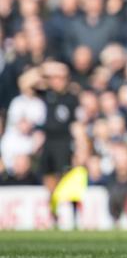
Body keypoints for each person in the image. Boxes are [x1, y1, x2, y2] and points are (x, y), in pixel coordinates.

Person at [36, 61, 81, 227]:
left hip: (64, 142)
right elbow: (25, 83)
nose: (58, 81)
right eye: (54, 78)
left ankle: (73, 217)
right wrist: (46, 69)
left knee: (67, 179)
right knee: (49, 180)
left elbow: (76, 123)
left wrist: (79, 146)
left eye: (61, 77)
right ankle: (54, 215)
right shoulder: (45, 94)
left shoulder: (71, 97)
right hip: (48, 142)